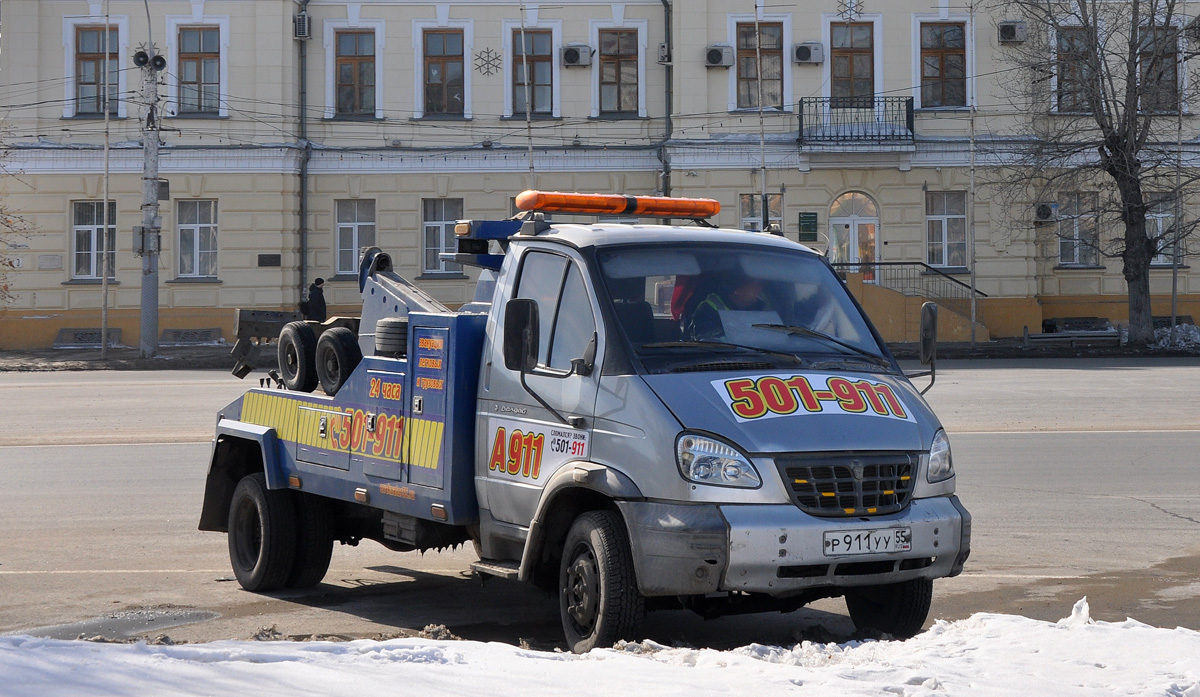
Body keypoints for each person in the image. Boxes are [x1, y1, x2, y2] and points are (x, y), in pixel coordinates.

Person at [685, 274, 768, 340]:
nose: (760, 288)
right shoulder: (708, 310)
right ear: (737, 290)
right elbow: (707, 344)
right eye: (755, 284)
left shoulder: (763, 306)